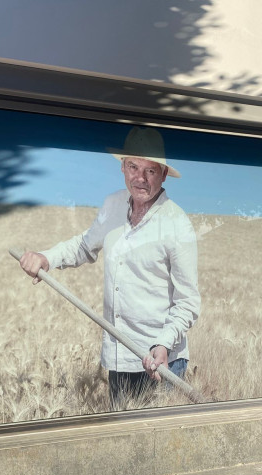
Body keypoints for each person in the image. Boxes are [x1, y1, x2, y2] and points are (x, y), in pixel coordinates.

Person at [19, 126, 200, 407]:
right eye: (132, 167)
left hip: (162, 364)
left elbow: (187, 302)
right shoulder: (113, 204)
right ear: (123, 168)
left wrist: (163, 344)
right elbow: (83, 246)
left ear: (164, 174)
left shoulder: (177, 224)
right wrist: (46, 258)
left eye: (150, 171)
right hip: (119, 357)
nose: (139, 178)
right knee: (123, 444)